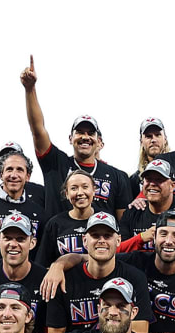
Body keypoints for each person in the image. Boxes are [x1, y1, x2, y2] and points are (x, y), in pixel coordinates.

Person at [21, 59, 132, 217]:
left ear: (98, 141)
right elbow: (38, 130)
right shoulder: (56, 163)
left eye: (90, 133)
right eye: (80, 132)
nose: (85, 137)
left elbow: (122, 222)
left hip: (100, 240)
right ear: (70, 138)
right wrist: (30, 89)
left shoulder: (117, 176)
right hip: (60, 239)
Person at [43, 214, 152, 333]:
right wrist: (58, 265)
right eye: (95, 235)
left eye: (107, 236)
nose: (101, 241)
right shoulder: (64, 279)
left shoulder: (135, 278)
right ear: (84, 241)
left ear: (118, 240)